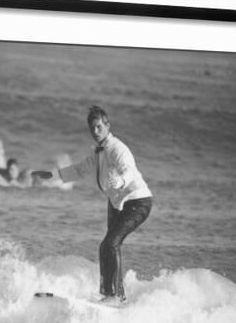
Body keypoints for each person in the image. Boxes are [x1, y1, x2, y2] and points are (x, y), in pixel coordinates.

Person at [31, 106, 152, 303]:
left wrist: (120, 181)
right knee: (106, 246)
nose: (95, 132)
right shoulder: (98, 152)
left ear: (107, 126)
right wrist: (53, 175)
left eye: (98, 127)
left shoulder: (117, 148)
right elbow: (79, 170)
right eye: (92, 129)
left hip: (137, 202)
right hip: (117, 202)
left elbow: (128, 169)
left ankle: (113, 295)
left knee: (110, 243)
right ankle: (112, 294)